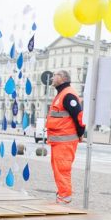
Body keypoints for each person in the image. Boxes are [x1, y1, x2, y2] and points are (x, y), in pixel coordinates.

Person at [45, 70, 85, 204]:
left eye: (55, 75)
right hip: (60, 140)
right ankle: (63, 194)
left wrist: (80, 133)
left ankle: (65, 196)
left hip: (65, 140)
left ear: (62, 78)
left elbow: (78, 115)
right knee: (59, 168)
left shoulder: (67, 94)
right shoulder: (62, 94)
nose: (52, 77)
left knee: (62, 169)